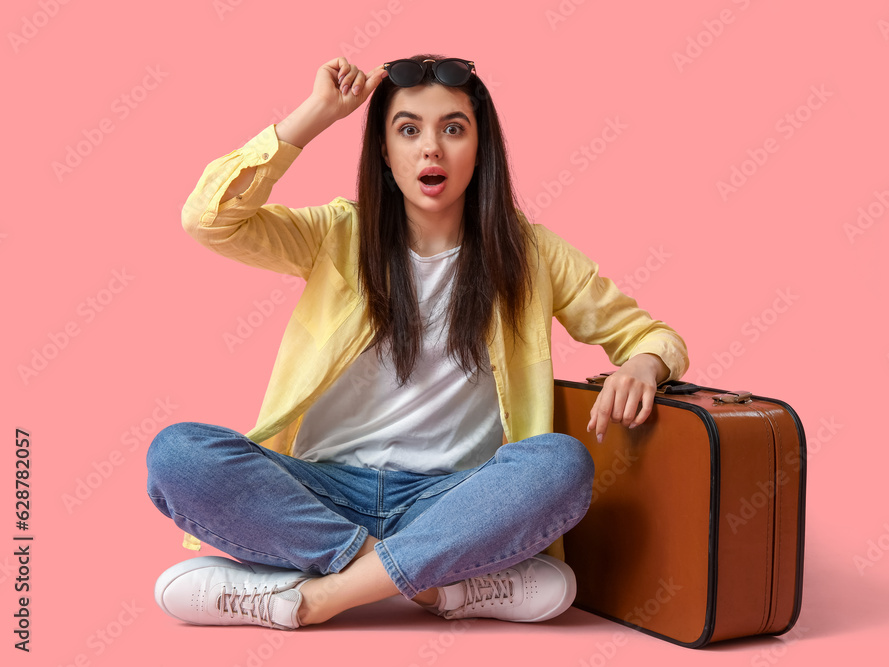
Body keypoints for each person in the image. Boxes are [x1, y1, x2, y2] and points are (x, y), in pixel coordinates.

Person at [147, 54, 690, 631]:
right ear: (385, 152)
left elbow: (653, 336)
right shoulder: (336, 234)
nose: (431, 148)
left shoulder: (533, 253)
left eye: (453, 128)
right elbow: (209, 218)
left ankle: (309, 598)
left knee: (559, 465)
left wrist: (645, 363)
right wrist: (315, 115)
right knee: (178, 454)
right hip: (323, 491)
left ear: (481, 146)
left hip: (452, 500)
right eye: (408, 130)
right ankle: (436, 586)